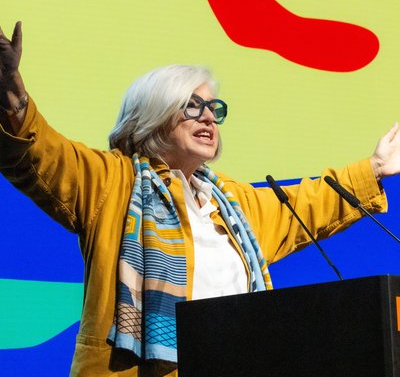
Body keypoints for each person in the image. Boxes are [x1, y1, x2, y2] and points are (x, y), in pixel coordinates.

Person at [0, 21, 399, 377]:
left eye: (213, 109)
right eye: (192, 107)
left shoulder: (231, 203)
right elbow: (42, 154)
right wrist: (12, 96)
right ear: (153, 116)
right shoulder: (110, 182)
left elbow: (307, 204)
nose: (208, 117)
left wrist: (374, 168)